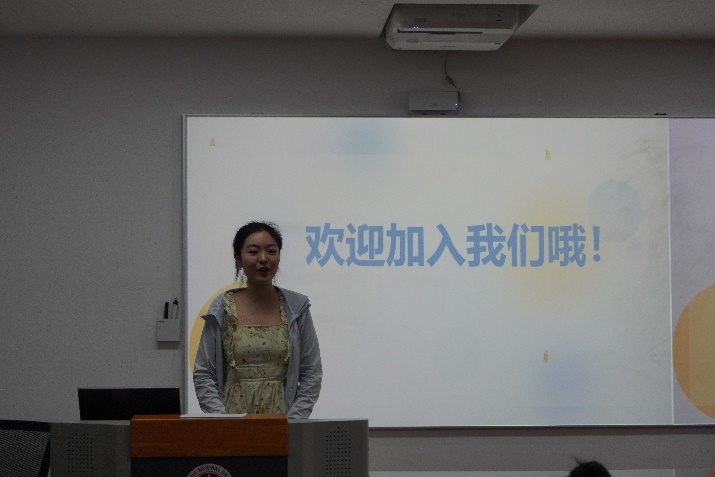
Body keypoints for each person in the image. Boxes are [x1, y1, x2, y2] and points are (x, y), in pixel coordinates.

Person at [193, 221, 322, 418]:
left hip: (283, 422)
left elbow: (311, 373)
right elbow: (204, 374)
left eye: (271, 251)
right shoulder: (222, 308)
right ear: (238, 258)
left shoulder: (297, 308)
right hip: (232, 422)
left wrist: (293, 422)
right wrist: (223, 421)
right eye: (253, 252)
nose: (263, 259)